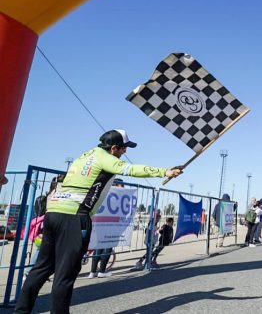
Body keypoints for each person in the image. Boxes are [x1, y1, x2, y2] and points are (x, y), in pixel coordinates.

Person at [15, 129, 182, 314]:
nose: (125, 152)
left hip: (53, 212)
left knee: (41, 268)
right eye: (123, 148)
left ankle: (20, 311)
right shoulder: (105, 158)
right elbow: (132, 170)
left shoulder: (84, 155)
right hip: (75, 216)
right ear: (113, 148)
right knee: (65, 274)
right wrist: (165, 171)